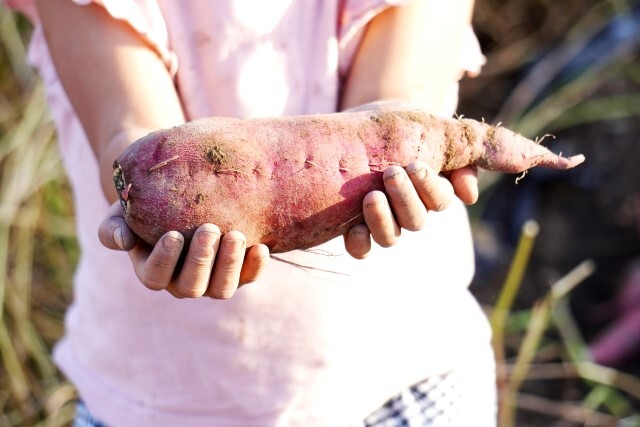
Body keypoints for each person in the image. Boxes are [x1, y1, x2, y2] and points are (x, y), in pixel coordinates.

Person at [7, 0, 496, 425]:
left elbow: (398, 106)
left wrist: (407, 159)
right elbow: (130, 132)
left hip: (404, 372)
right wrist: (153, 212)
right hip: (153, 398)